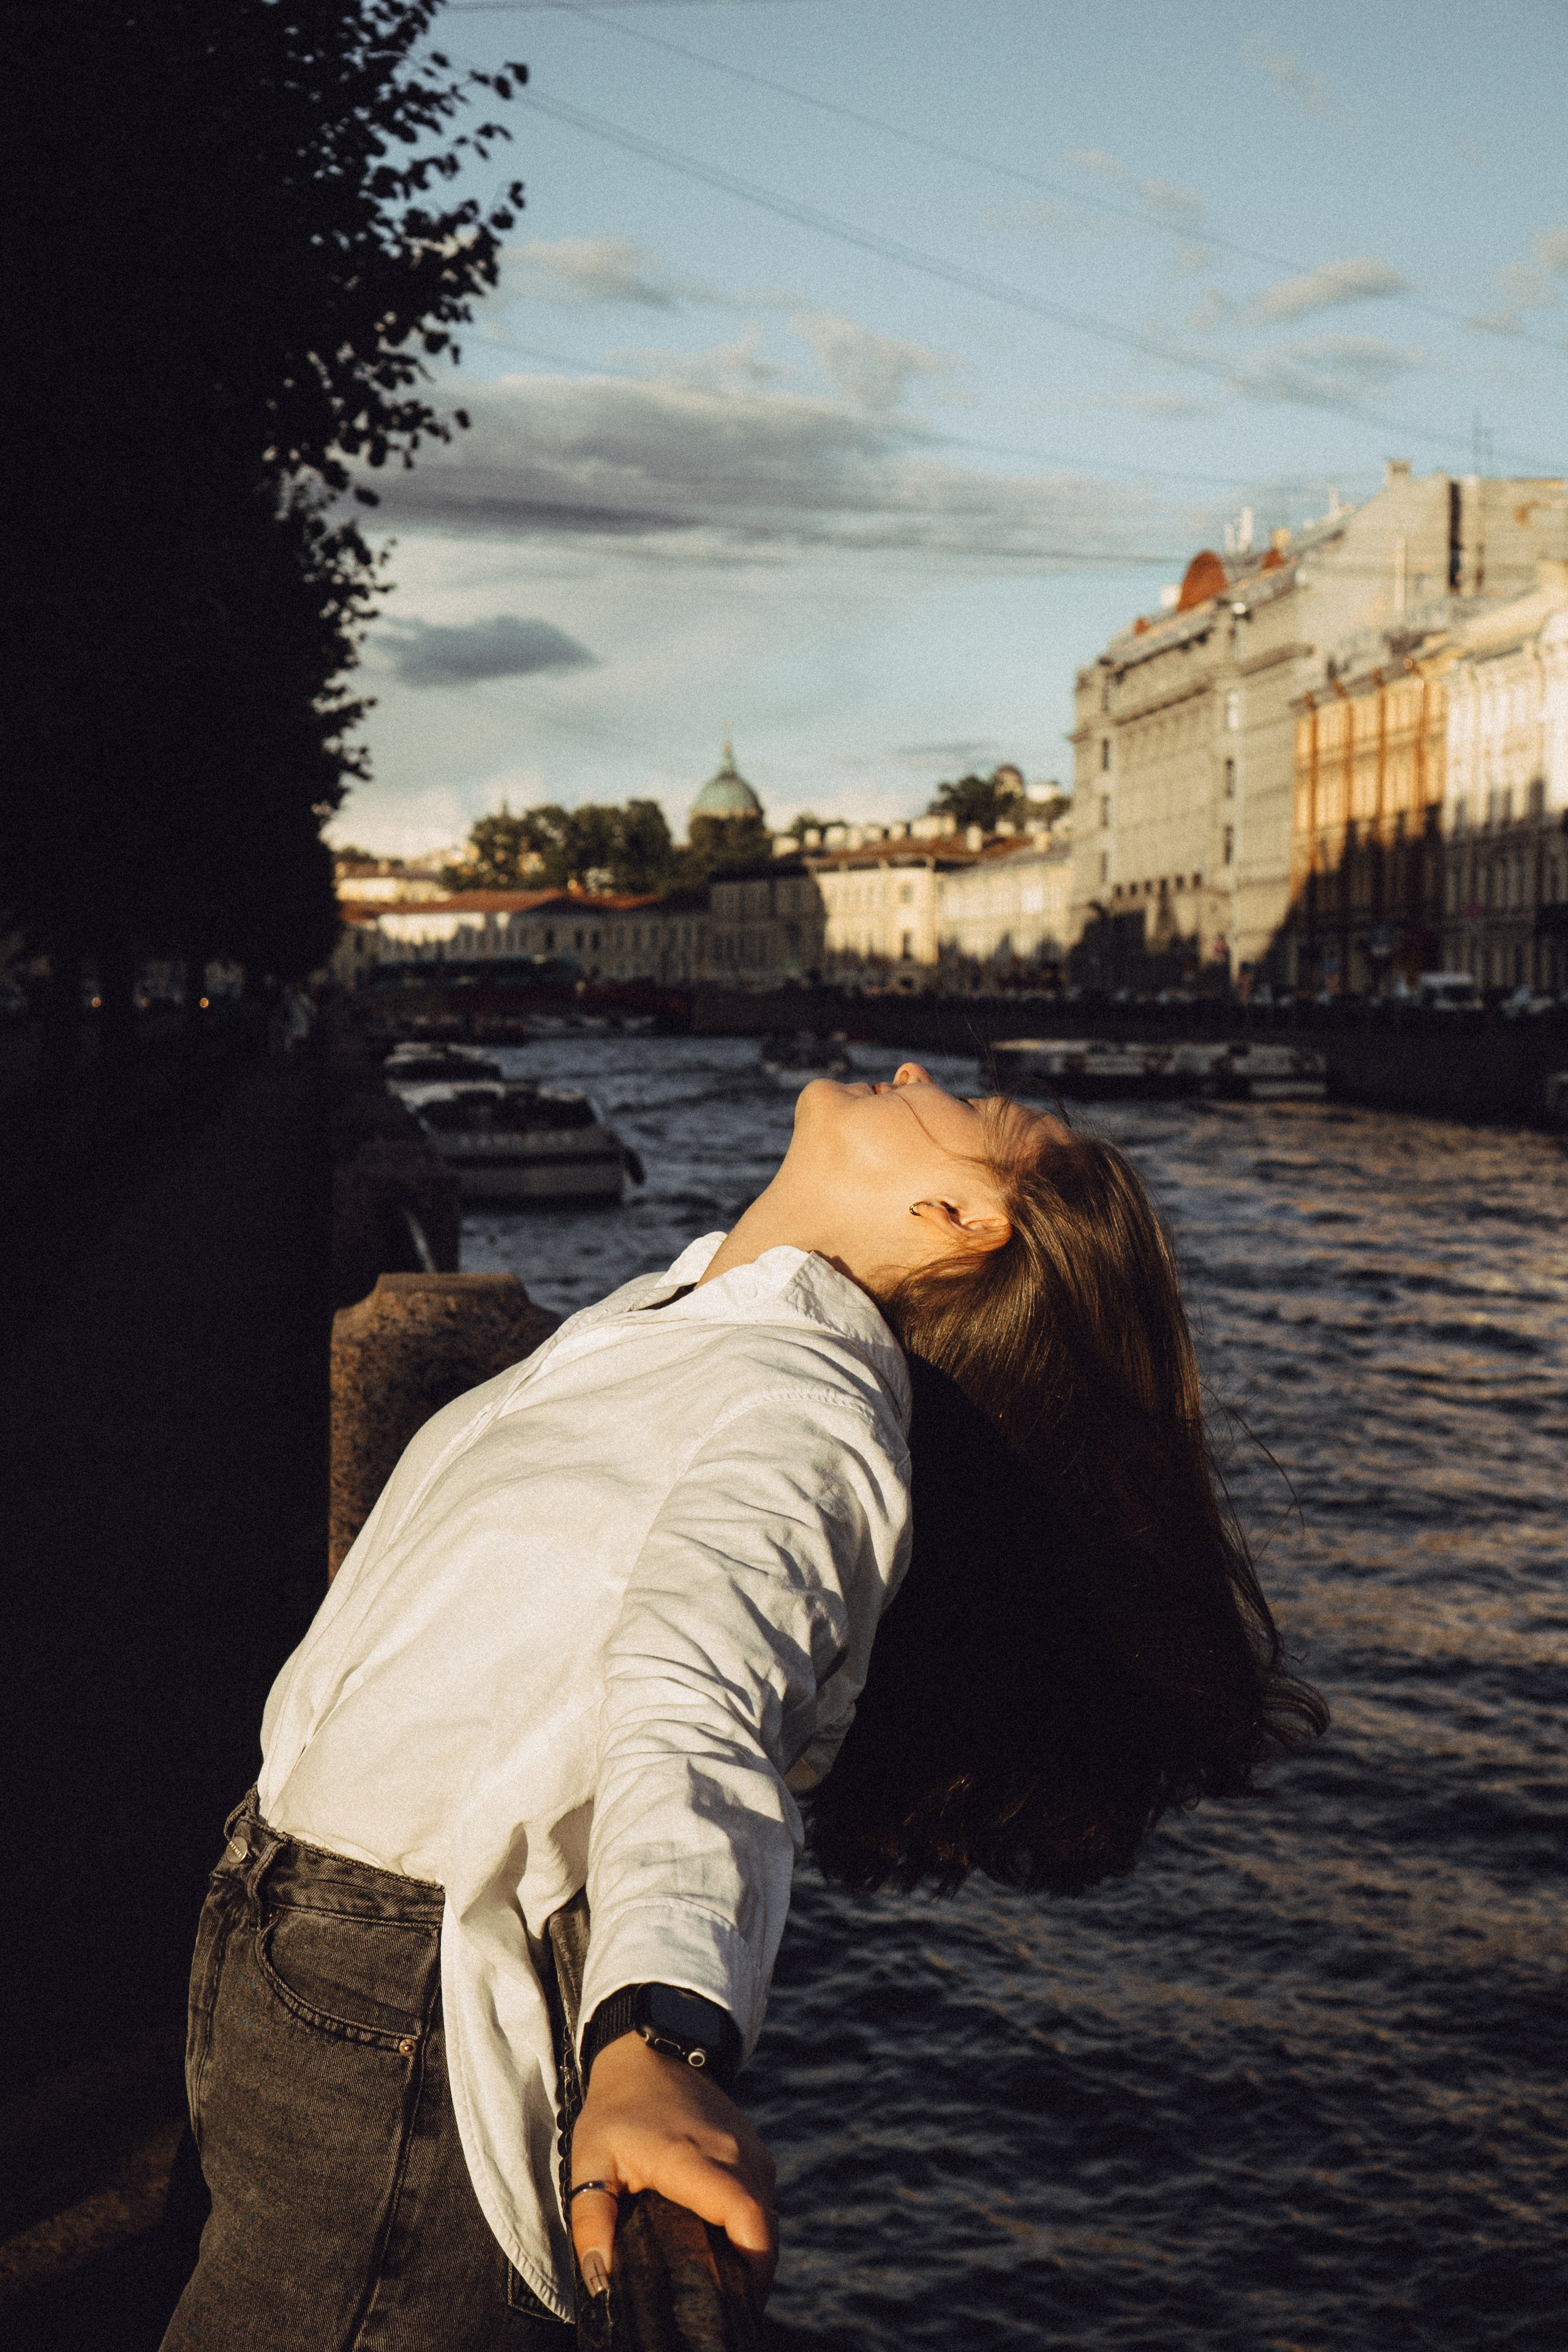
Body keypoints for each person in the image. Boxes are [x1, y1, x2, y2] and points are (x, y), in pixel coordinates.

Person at [162, 1063, 1324, 2348]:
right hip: (292, 1938)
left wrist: (658, 2031)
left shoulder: (804, 1416)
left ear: (960, 1220)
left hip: (397, 2004)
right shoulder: (688, 1313)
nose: (915, 1073)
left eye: (973, 1109)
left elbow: (700, 1701)